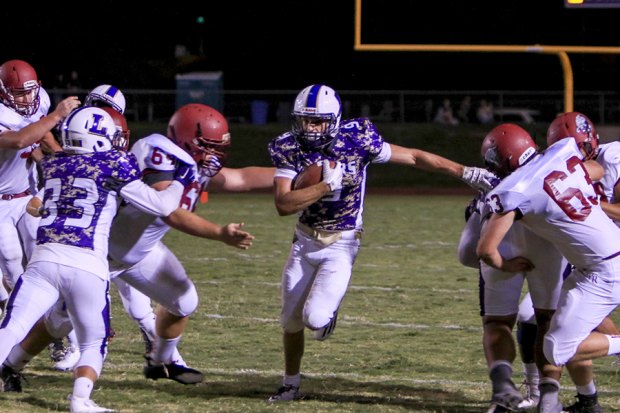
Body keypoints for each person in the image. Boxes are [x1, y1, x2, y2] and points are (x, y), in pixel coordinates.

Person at [266, 83, 499, 402]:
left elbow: (415, 158)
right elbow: (284, 204)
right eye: (305, 120)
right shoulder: (289, 147)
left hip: (342, 242)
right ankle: (290, 383)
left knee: (315, 319)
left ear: (333, 119)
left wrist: (464, 172)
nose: (310, 128)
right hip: (305, 240)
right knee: (290, 320)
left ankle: (327, 314)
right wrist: (323, 187)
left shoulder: (358, 138)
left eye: (317, 121)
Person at [0, 106, 195, 412]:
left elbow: (38, 204)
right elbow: (160, 205)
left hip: (44, 259)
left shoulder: (54, 164)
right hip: (86, 264)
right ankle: (80, 400)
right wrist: (180, 182)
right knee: (93, 342)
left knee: (11, 328)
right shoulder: (114, 163)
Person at [476, 123, 620, 413]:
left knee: (556, 348)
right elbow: (596, 170)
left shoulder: (515, 188)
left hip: (605, 271)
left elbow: (485, 250)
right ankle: (566, 403)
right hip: (594, 264)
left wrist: (507, 263)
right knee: (549, 333)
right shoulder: (561, 150)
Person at [457, 187, 566, 412]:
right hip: (549, 239)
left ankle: (503, 392)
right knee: (549, 322)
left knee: (497, 321)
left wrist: (502, 264)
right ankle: (548, 400)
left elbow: (467, 253)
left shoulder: (490, 181)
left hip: (499, 240)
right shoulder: (552, 169)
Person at [0, 59, 80, 307]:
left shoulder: (40, 98)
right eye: (19, 93)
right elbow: (20, 140)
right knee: (12, 261)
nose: (26, 99)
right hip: (0, 201)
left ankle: (48, 318)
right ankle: (21, 316)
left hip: (27, 193)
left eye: (30, 91)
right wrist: (57, 115)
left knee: (41, 253)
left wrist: (59, 161)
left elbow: (41, 132)